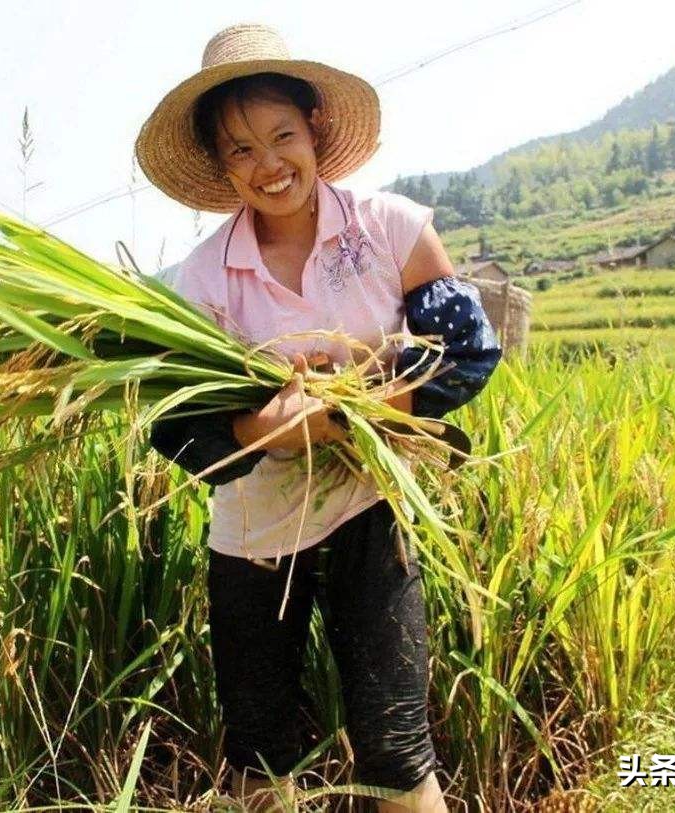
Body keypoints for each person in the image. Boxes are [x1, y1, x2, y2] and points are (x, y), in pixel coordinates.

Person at [135, 23, 502, 813]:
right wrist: (270, 427)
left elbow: (466, 349)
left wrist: (353, 405)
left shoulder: (390, 227)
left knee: (397, 745)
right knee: (260, 749)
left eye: (281, 136)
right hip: (255, 538)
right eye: (240, 150)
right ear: (219, 164)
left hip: (371, 511)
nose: (268, 165)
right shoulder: (203, 282)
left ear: (316, 131)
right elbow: (177, 427)